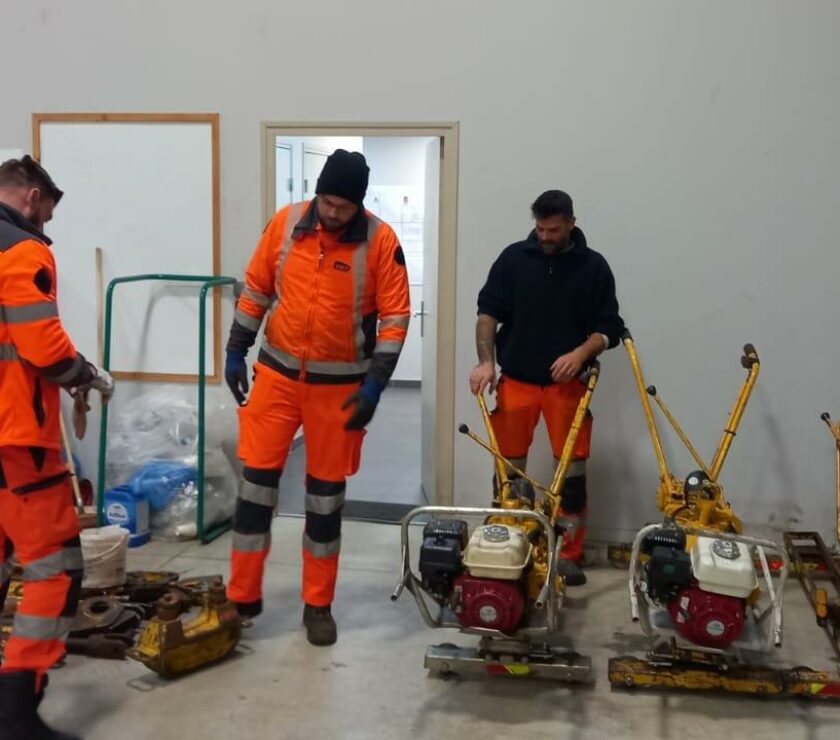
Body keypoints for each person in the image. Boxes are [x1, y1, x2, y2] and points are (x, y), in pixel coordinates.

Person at [225, 150, 410, 645]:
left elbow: (395, 319)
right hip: (277, 377)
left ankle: (318, 606)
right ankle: (241, 596)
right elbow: (257, 290)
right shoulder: (286, 224)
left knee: (324, 502)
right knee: (255, 489)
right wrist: (236, 349)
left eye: (342, 207)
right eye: (326, 201)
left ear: (359, 205)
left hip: (339, 390)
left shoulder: (381, 241)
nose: (331, 213)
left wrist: (375, 383)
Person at [0, 156, 114, 740]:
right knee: (56, 572)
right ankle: (17, 713)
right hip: (18, 441)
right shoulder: (22, 251)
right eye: (46, 211)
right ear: (31, 197)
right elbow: (43, 349)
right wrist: (85, 374)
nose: (48, 226)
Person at [469, 190, 624, 586]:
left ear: (571, 223)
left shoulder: (593, 268)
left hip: (567, 388)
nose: (545, 236)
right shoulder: (513, 260)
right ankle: (507, 540)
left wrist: (580, 352)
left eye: (553, 230)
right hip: (517, 382)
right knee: (509, 472)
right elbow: (487, 314)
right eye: (539, 228)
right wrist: (486, 361)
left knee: (571, 476)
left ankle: (568, 554)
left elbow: (610, 328)